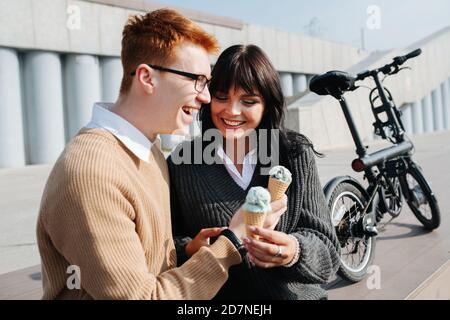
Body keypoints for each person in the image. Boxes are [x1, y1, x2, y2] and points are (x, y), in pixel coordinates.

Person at [36, 10, 286, 300]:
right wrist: (232, 240)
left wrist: (188, 250)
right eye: (197, 80)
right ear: (147, 78)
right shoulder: (91, 174)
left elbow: (148, 262)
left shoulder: (148, 151)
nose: (205, 97)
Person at [168, 44, 341, 300]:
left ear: (267, 105)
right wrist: (191, 249)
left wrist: (293, 251)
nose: (232, 111)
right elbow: (166, 245)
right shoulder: (183, 162)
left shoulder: (294, 153)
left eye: (248, 101)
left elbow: (328, 253)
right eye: (222, 97)